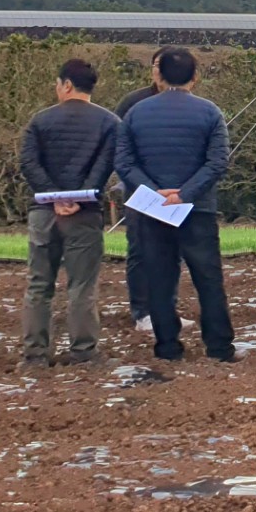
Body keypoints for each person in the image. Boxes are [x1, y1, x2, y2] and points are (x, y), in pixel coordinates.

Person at [115, 47, 237, 363]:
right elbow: (218, 162)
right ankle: (219, 347)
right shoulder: (210, 112)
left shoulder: (135, 113)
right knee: (208, 279)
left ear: (159, 74)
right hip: (198, 209)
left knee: (158, 278)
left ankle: (167, 347)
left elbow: (124, 163)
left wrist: (155, 193)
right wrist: (184, 194)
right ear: (195, 77)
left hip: (152, 209)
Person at [17, 58, 119, 369]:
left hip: (43, 213)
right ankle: (84, 353)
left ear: (67, 85)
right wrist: (79, 197)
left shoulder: (40, 121)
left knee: (39, 285)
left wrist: (53, 196)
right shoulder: (111, 123)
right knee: (82, 286)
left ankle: (34, 355)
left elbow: (28, 164)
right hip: (85, 214)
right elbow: (105, 166)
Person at [114, 47, 172, 332]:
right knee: (139, 250)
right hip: (139, 188)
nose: (160, 72)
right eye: (157, 66)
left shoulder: (185, 103)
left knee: (170, 250)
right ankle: (141, 312)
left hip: (175, 190)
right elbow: (121, 150)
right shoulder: (133, 102)